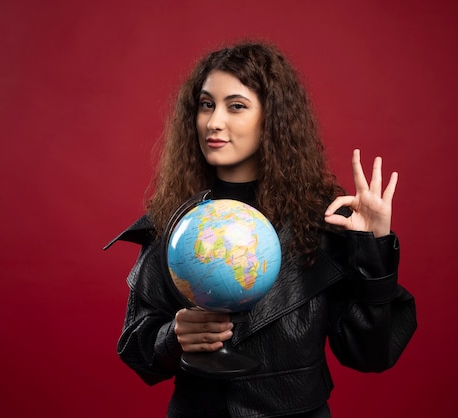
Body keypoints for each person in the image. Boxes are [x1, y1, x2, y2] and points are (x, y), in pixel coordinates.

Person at [105, 41, 417, 418]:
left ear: (272, 118)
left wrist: (374, 246)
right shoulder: (178, 218)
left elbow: (371, 354)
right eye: (206, 104)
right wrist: (174, 336)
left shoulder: (319, 218)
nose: (214, 121)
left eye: (236, 106)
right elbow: (137, 351)